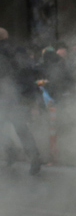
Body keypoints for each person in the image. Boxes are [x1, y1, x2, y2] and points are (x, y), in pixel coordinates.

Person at [0, 28, 43, 175]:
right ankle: (34, 158)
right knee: (21, 129)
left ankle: (10, 151)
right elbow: (29, 72)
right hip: (19, 96)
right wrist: (32, 95)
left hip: (4, 97)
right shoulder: (19, 49)